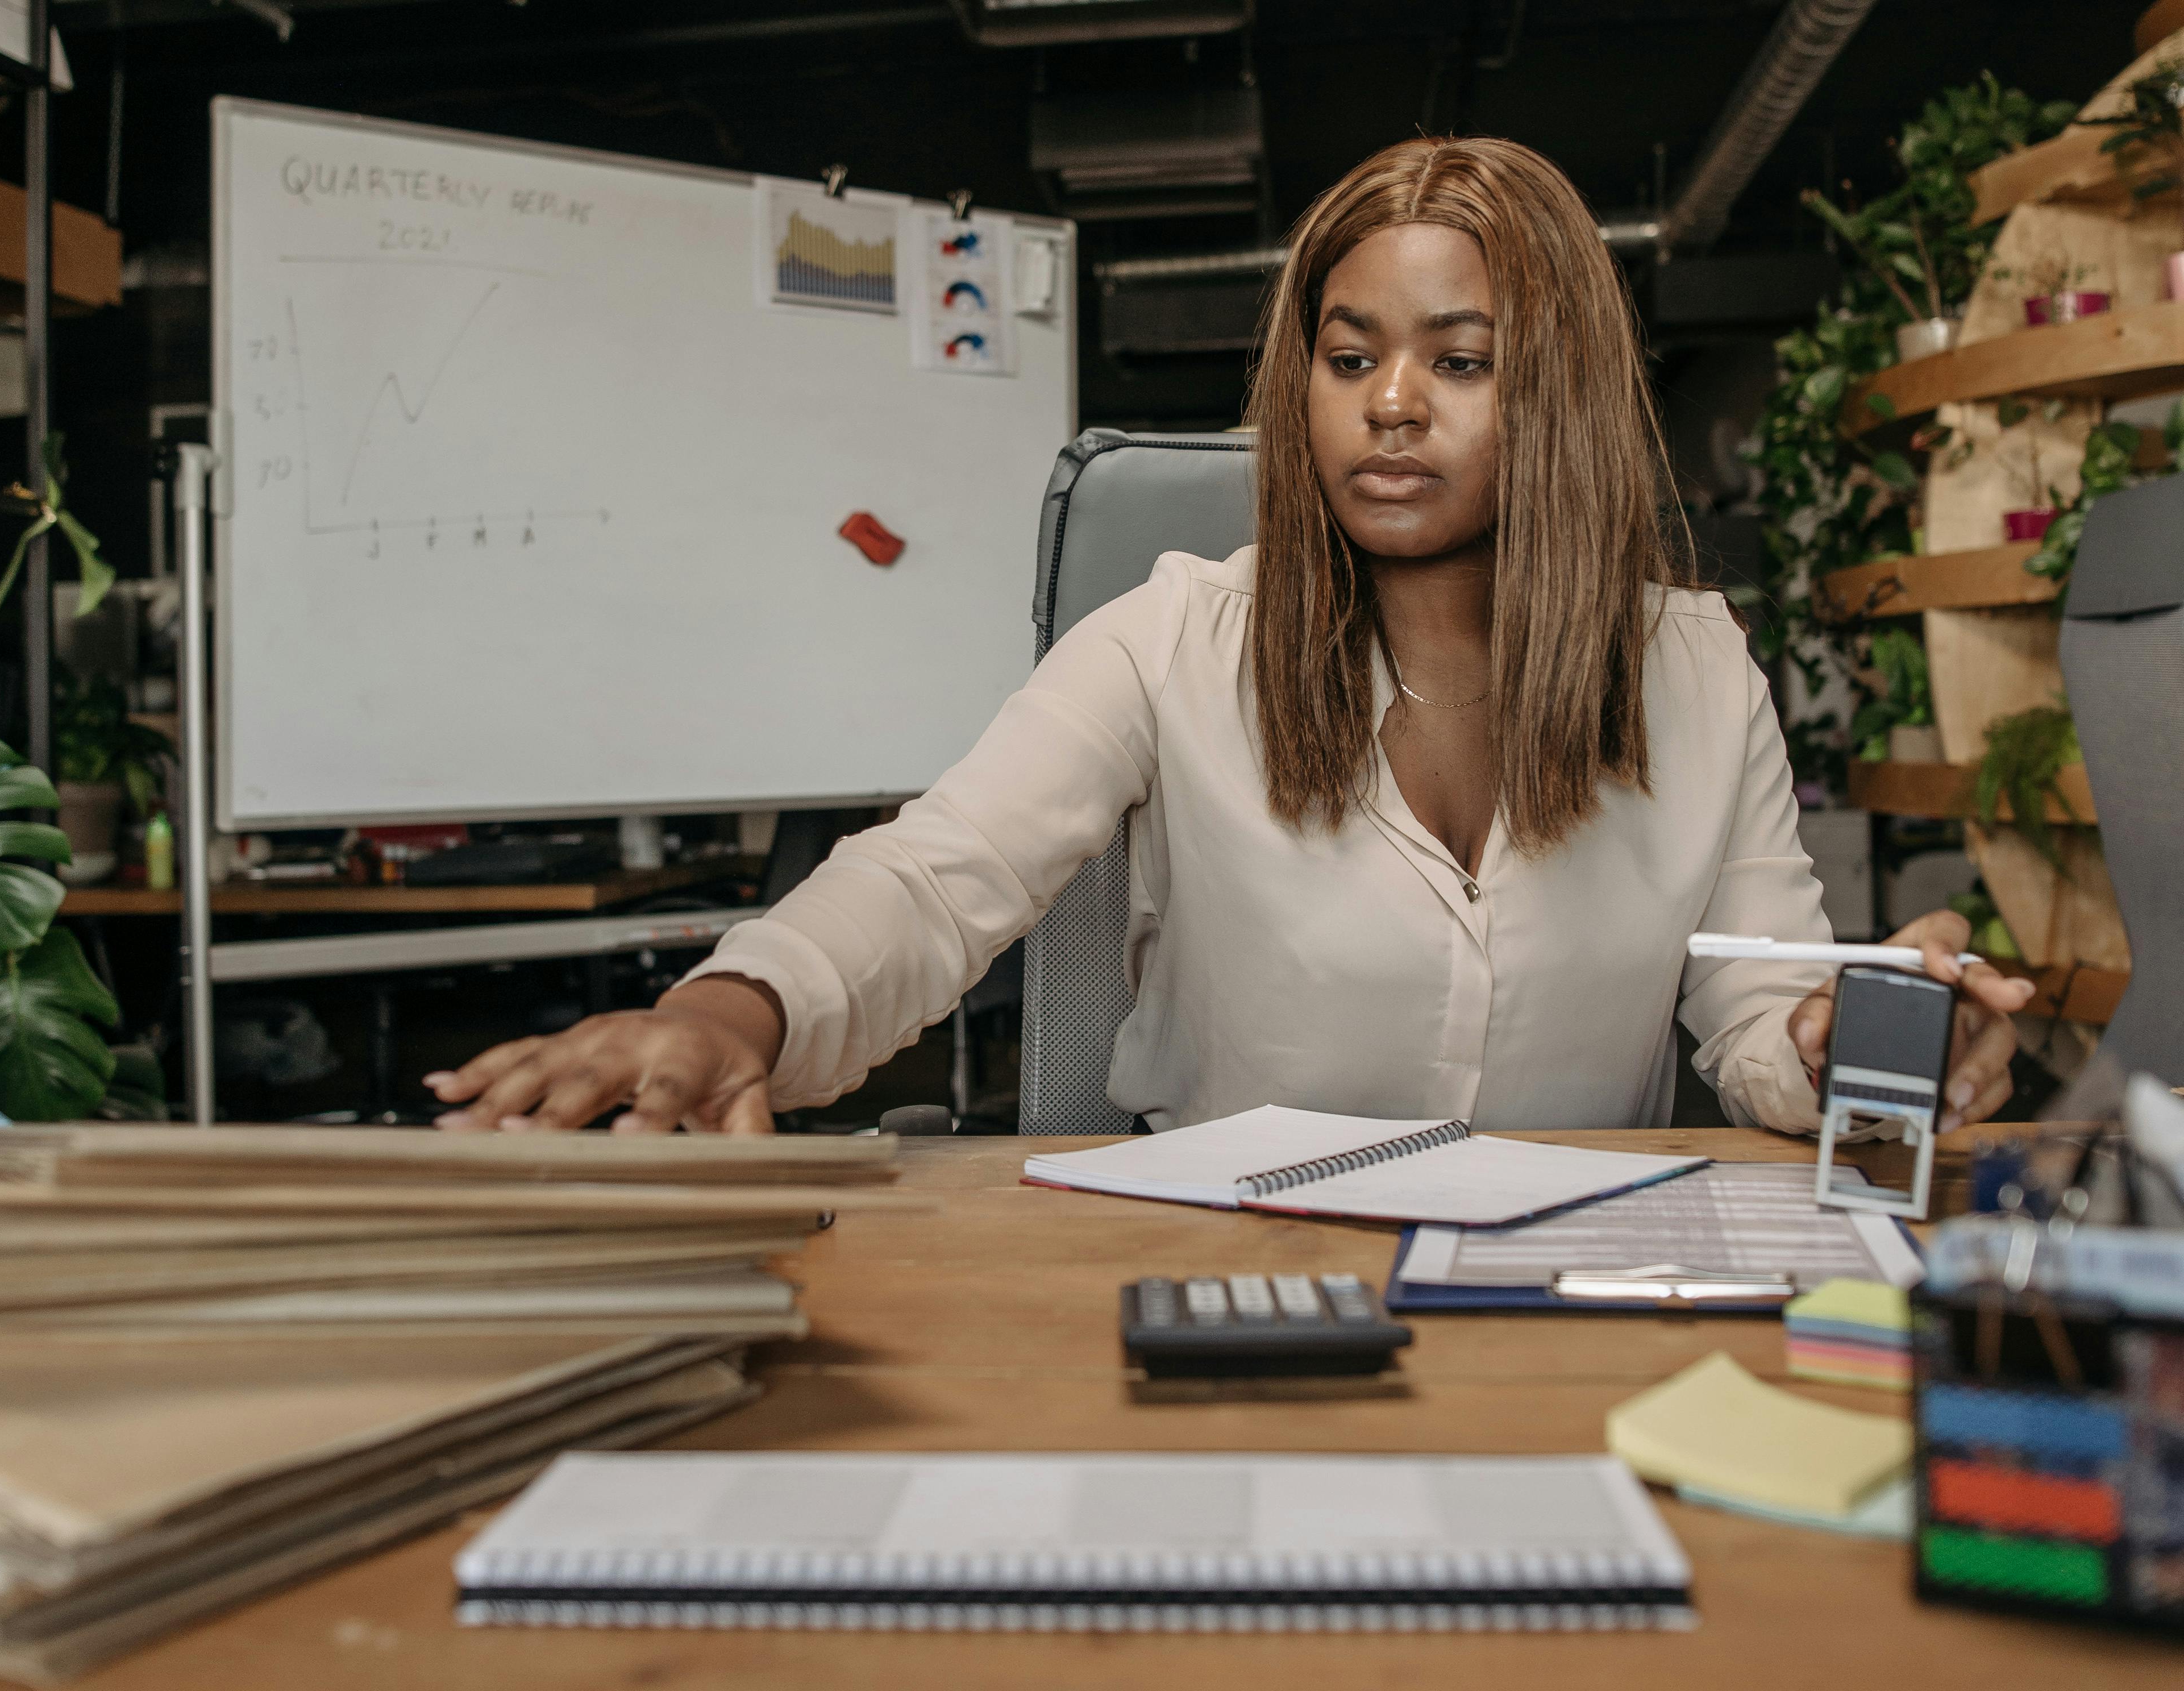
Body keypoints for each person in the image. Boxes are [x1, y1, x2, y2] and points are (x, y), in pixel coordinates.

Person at [429, 136, 2032, 1139]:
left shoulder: (1689, 667)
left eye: (1459, 360)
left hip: (1568, 1312)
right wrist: (726, 1017)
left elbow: (1759, 1021)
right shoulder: (1176, 638)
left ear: (1559, 395)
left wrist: (1857, 1047)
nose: (1390, 400)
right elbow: (932, 879)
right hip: (1229, 1286)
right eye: (1351, 356)